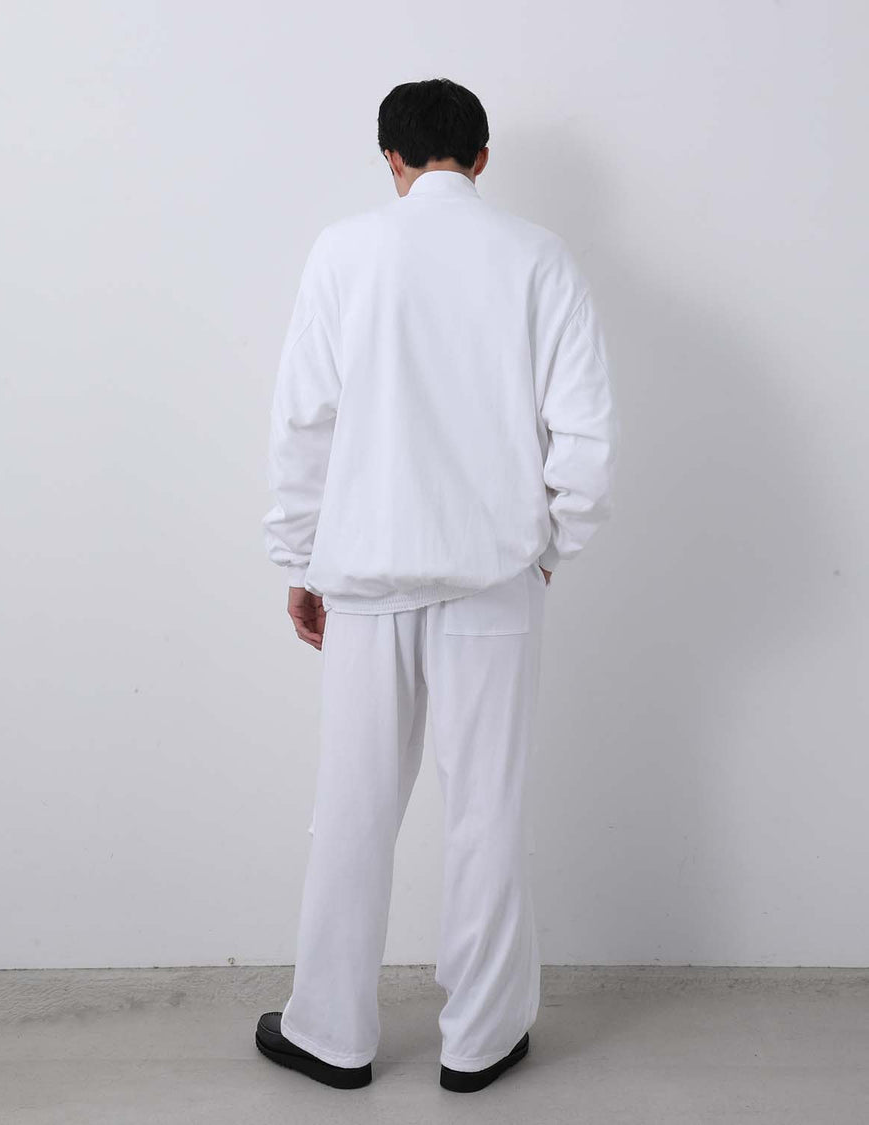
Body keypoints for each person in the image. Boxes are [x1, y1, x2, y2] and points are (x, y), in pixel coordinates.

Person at [255, 77, 618, 1093]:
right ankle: (482, 1039)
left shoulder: (345, 251)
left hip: (366, 578)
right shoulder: (539, 257)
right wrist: (552, 545)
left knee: (353, 808)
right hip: (496, 579)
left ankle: (330, 1032)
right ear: (483, 157)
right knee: (486, 811)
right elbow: (586, 431)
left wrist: (298, 557)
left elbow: (304, 421)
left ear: (392, 158)